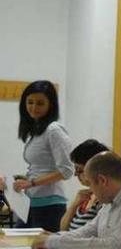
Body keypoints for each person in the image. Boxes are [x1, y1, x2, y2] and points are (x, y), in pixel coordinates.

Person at [0, 81, 73, 231]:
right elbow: (41, 169)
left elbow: (67, 170)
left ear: (50, 105)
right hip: (31, 202)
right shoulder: (36, 130)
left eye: (40, 103)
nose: (33, 107)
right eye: (30, 102)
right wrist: (17, 180)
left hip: (49, 206)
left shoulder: (54, 130)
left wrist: (31, 183)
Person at [59, 139, 110, 231]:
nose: (75, 174)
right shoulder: (85, 196)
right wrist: (74, 205)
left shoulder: (103, 202)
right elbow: (63, 229)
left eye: (79, 170)